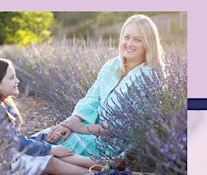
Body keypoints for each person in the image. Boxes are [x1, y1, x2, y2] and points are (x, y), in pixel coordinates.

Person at [37, 14, 165, 157]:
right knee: (44, 136)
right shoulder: (112, 66)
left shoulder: (149, 77)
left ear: (148, 44)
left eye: (137, 40)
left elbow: (121, 127)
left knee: (49, 146)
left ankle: (23, 165)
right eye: (126, 37)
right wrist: (69, 123)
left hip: (114, 144)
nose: (129, 44)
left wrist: (80, 128)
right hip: (88, 130)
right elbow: (92, 98)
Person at [0, 58, 101, 175]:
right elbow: (14, 142)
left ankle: (104, 166)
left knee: (55, 153)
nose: (17, 81)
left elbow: (14, 140)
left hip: (8, 156)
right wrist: (50, 149)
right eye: (12, 78)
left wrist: (45, 138)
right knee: (51, 160)